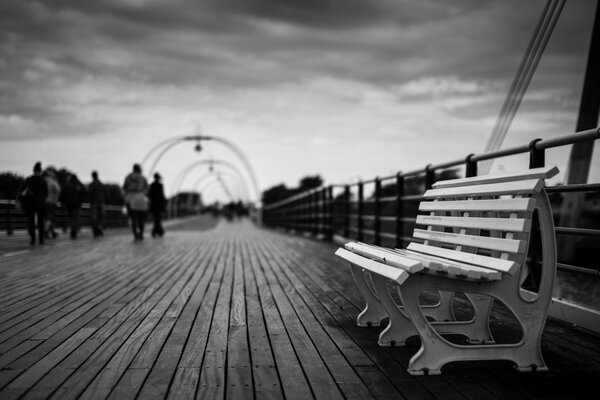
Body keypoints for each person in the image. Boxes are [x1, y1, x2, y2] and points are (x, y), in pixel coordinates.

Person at [19, 162, 48, 245]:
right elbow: (46, 194)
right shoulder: (43, 181)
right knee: (40, 221)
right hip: (41, 204)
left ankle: (33, 239)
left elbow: (22, 192)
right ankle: (41, 239)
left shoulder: (28, 180)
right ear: (40, 171)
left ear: (33, 171)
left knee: (31, 221)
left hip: (30, 204)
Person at [123, 163, 149, 241]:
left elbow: (124, 188)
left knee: (133, 218)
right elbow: (147, 188)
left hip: (130, 198)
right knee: (141, 218)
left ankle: (135, 234)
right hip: (141, 198)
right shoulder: (143, 177)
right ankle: (141, 233)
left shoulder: (128, 177)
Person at [62, 174, 85, 239]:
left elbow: (62, 194)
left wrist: (63, 202)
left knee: (71, 218)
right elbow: (84, 191)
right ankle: (73, 231)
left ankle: (72, 230)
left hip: (69, 205)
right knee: (75, 218)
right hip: (77, 205)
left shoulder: (67, 185)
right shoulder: (78, 185)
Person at [88, 170, 107, 238]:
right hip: (101, 203)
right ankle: (99, 229)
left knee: (94, 218)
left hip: (94, 203)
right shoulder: (101, 184)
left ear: (92, 176)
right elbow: (105, 193)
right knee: (101, 217)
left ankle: (96, 231)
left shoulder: (91, 185)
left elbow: (89, 194)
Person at [148, 172, 167, 238]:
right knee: (158, 219)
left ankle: (156, 231)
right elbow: (162, 195)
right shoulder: (160, 185)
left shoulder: (151, 185)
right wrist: (164, 204)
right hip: (159, 205)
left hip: (153, 205)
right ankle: (159, 231)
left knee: (156, 219)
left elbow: (149, 195)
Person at [44, 167, 61, 239]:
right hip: (51, 201)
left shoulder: (44, 180)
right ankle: (45, 231)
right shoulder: (53, 181)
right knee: (50, 218)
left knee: (46, 217)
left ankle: (52, 232)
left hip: (44, 201)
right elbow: (58, 190)